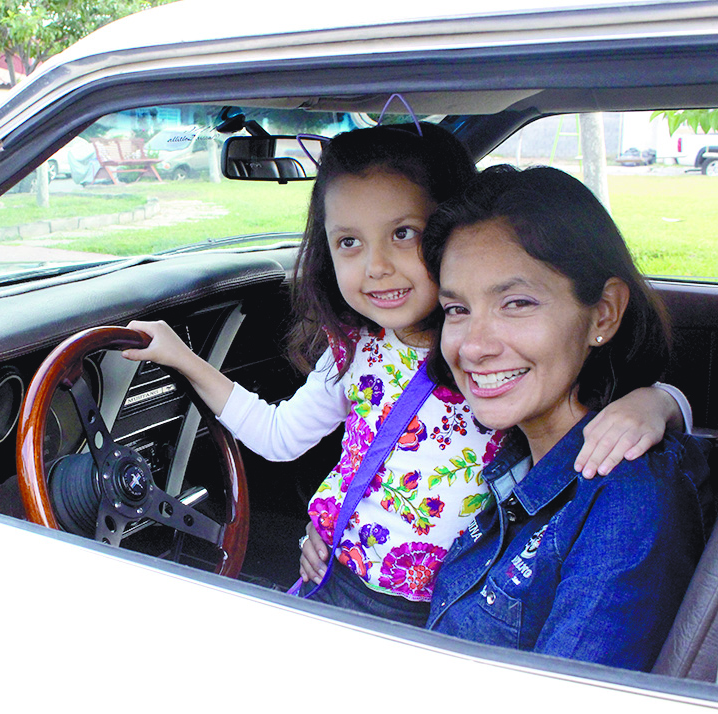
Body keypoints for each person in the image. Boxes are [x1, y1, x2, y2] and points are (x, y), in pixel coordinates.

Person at [123, 124, 688, 626]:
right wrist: (182, 357)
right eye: (349, 242)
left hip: (447, 604)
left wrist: (658, 402)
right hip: (337, 576)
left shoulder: (490, 355)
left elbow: (605, 396)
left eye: (403, 234)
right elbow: (279, 435)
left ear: (449, 233)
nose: (376, 266)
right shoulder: (353, 352)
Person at [420, 165, 707, 670]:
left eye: (517, 303)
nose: (474, 347)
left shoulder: (627, 497)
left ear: (603, 314)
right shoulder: (512, 452)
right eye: (457, 309)